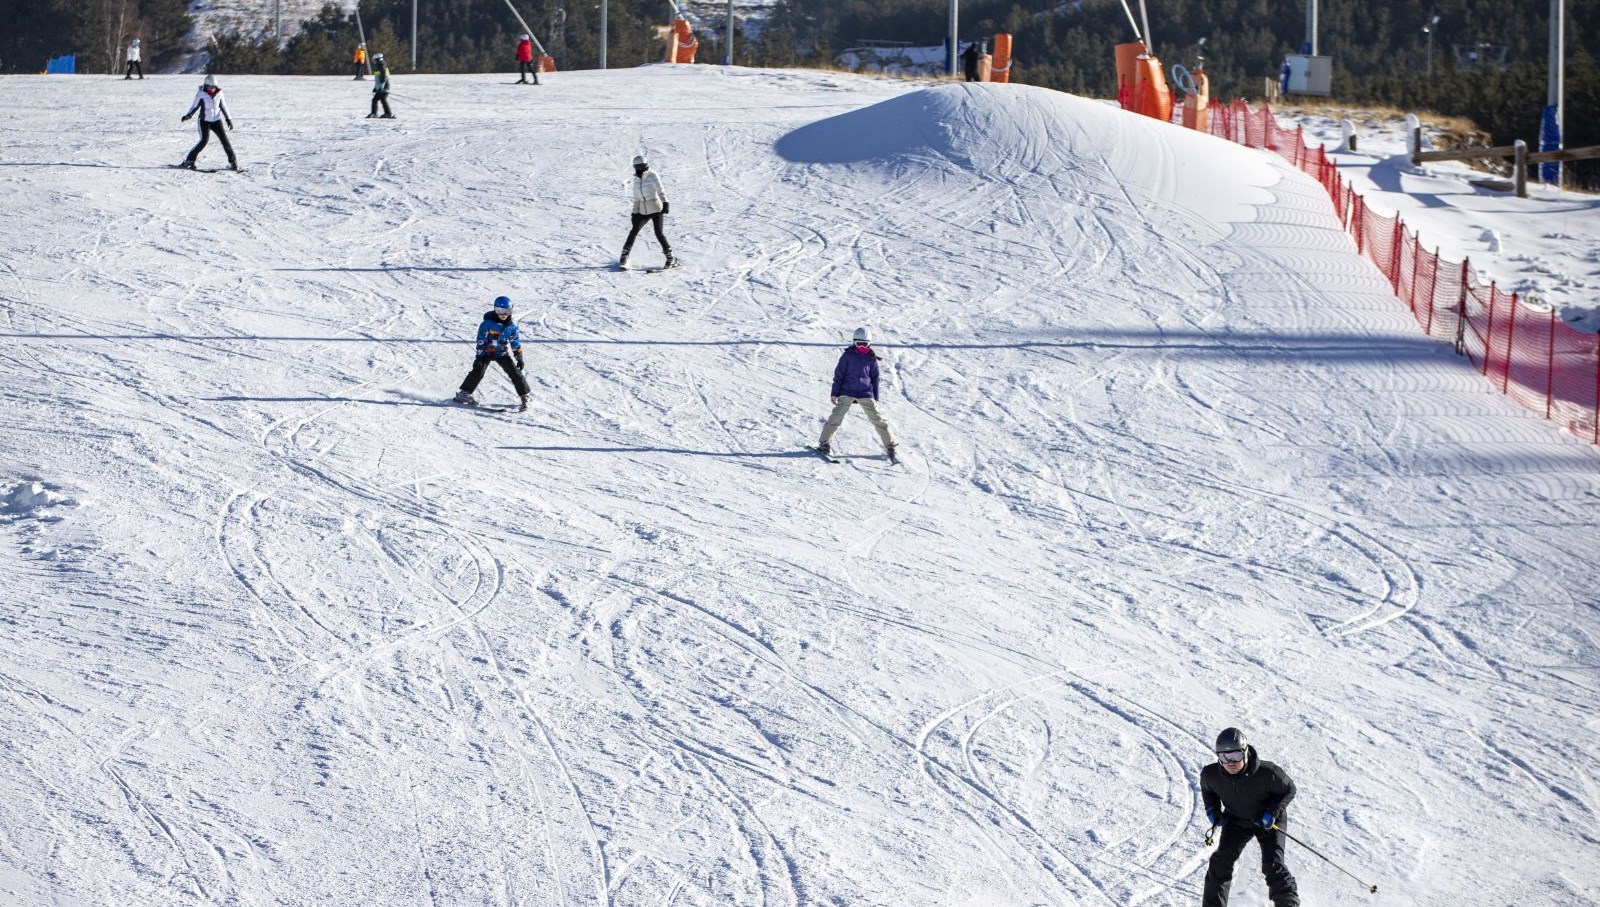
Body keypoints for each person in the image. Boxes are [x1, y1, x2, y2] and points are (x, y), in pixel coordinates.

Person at [1200, 728, 1299, 907]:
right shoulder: (1211, 775)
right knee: (1220, 862)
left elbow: (1289, 789)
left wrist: (1272, 812)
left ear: (1245, 752)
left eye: (1236, 756)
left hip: (1268, 821)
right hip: (1237, 820)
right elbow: (1208, 791)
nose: (1230, 762)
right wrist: (1213, 811)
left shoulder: (1268, 773)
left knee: (1272, 865)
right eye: (1224, 757)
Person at [817, 327, 897, 460]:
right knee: (836, 417)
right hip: (847, 391)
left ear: (869, 343)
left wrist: (875, 397)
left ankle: (890, 445)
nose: (861, 346)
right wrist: (834, 393)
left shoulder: (871, 358)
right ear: (854, 342)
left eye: (864, 344)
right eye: (858, 343)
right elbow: (839, 375)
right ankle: (824, 443)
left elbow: (875, 378)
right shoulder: (847, 355)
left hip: (865, 392)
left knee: (877, 419)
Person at [454, 296, 532, 410]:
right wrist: (480, 352)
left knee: (515, 372)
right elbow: (481, 338)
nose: (503, 314)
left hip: (501, 353)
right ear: (495, 310)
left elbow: (515, 343)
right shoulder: (487, 323)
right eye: (500, 311)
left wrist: (519, 358)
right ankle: (464, 394)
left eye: (507, 311)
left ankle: (525, 396)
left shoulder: (511, 327)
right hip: (486, 352)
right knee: (478, 370)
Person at [619, 154, 674, 270]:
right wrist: (635, 213)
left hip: (656, 208)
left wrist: (665, 203)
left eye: (642, 166)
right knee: (633, 231)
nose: (640, 169)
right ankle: (624, 257)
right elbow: (637, 199)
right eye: (638, 167)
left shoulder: (652, 175)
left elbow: (661, 190)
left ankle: (670, 258)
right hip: (643, 211)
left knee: (659, 233)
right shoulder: (636, 180)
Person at [179, 75, 238, 171]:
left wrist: (228, 119)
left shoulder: (219, 93)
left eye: (214, 87)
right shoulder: (201, 93)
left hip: (216, 121)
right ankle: (189, 161)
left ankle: (233, 163)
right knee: (203, 141)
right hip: (204, 121)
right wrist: (189, 115)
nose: (212, 89)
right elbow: (194, 106)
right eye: (210, 87)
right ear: (206, 85)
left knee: (225, 141)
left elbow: (224, 106)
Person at [368, 54, 394, 118]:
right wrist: (375, 88)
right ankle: (376, 113)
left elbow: (383, 79)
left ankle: (387, 113)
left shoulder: (381, 66)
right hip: (381, 88)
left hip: (384, 88)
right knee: (377, 100)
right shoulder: (379, 66)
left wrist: (381, 88)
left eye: (374, 60)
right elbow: (378, 80)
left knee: (381, 99)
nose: (373, 61)